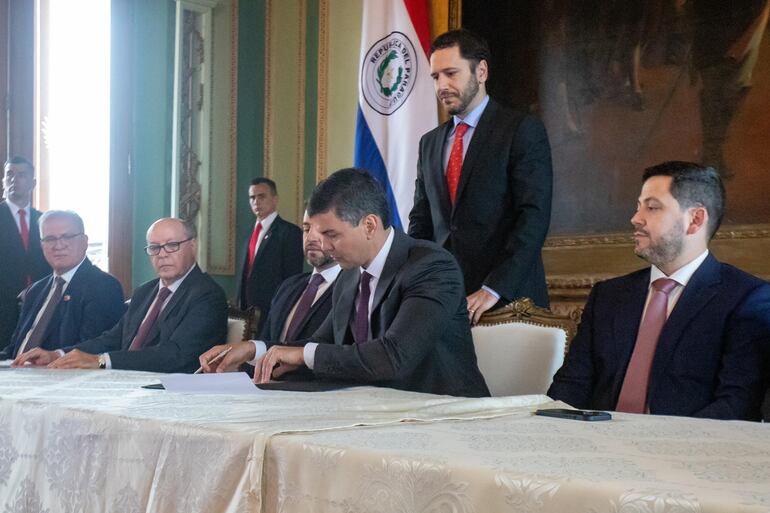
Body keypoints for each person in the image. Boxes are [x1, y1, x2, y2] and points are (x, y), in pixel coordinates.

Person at [200, 168, 489, 397]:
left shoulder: (431, 267)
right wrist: (255, 349)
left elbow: (393, 357)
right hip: (373, 412)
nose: (324, 247)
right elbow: (323, 345)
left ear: (369, 225)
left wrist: (303, 354)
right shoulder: (350, 274)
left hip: (446, 415)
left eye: (332, 234)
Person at [548, 161, 770, 420]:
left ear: (695, 220)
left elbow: (736, 405)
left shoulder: (745, 298)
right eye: (638, 206)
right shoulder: (609, 295)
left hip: (683, 452)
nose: (635, 219)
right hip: (597, 444)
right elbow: (571, 387)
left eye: (652, 207)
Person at [408, 29, 553, 324]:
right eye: (436, 77)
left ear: (482, 71)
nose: (442, 85)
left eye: (451, 73)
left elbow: (533, 218)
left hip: (511, 303)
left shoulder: (521, 130)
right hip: (445, 304)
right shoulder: (429, 143)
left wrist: (493, 288)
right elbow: (422, 224)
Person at [15, 218, 227, 373]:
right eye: (154, 247)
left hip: (169, 394)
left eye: (172, 245)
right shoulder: (146, 291)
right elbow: (112, 338)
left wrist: (100, 361)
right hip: (123, 384)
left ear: (192, 245)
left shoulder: (207, 295)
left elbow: (175, 355)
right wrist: (58, 354)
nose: (162, 254)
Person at [1, 210, 124, 359]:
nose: (58, 245)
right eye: (50, 239)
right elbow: (15, 348)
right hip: (14, 373)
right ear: (42, 245)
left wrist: (56, 355)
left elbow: (95, 347)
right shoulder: (35, 290)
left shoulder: (103, 286)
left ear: (84, 241)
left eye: (67, 237)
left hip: (60, 375)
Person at [259, 211, 341, 344]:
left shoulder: (353, 291)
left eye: (322, 231)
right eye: (306, 229)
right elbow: (263, 343)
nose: (310, 238)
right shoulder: (287, 286)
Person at [236, 177, 303, 332]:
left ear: (275, 199)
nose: (256, 202)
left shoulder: (289, 232)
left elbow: (292, 278)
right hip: (247, 313)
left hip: (273, 312)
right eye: (252, 197)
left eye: (261, 196)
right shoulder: (248, 234)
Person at [0, 157, 50, 349]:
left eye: (21, 175)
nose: (14, 179)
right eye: (9, 174)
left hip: (39, 307)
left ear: (33, 182)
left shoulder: (44, 220)